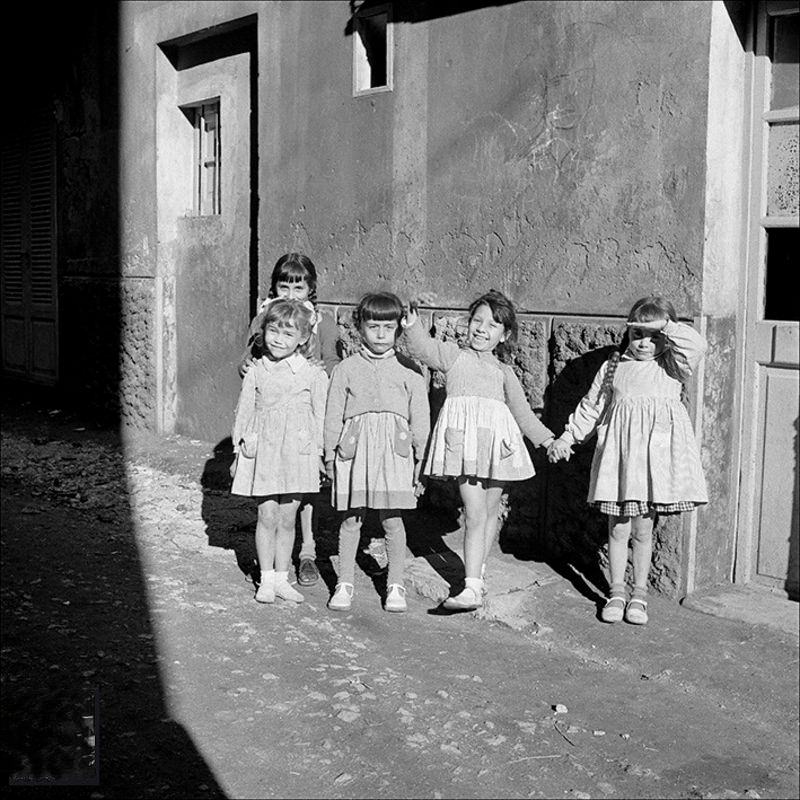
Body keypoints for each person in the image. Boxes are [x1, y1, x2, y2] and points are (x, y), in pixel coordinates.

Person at [548, 296, 708, 626]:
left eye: (654, 336)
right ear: (628, 334)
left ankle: (640, 593)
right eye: (638, 334)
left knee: (643, 530)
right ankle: (616, 591)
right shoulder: (613, 367)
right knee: (618, 529)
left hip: (652, 464)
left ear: (666, 335)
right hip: (619, 462)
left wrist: (664, 325)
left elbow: (696, 345)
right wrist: (567, 437)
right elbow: (592, 408)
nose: (645, 343)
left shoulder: (672, 366)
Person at [402, 290, 556, 611]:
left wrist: (548, 441)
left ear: (504, 335)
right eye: (477, 321)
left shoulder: (505, 373)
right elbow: (423, 349)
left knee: (488, 512)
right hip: (465, 449)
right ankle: (471, 587)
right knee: (474, 513)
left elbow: (523, 415)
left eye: (493, 325)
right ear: (468, 323)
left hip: (497, 448)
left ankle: (477, 569)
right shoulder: (453, 356)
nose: (482, 329)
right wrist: (412, 324)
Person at [324, 292, 430, 613]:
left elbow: (421, 420)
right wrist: (330, 455)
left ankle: (395, 584)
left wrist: (420, 462)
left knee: (392, 521)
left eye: (388, 326)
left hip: (394, 454)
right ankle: (344, 582)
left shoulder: (410, 370)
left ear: (398, 328)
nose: (381, 334)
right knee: (352, 518)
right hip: (355, 452)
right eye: (373, 326)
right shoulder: (346, 369)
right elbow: (332, 415)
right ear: (360, 327)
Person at [239, 253, 340, 588]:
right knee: (272, 502)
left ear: (310, 288)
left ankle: (306, 552)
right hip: (270, 412)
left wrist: (320, 374)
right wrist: (247, 366)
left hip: (303, 412)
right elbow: (250, 350)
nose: (291, 294)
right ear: (275, 286)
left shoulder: (320, 320)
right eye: (285, 286)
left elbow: (332, 359)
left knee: (302, 495)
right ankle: (271, 568)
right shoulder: (268, 315)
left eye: (299, 287)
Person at [230, 298, 329, 605]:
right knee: (267, 515)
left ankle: (283, 578)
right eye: (273, 330)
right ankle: (267, 579)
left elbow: (321, 418)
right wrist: (237, 451)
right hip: (265, 452)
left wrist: (321, 456)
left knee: (288, 519)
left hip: (298, 454)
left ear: (303, 338)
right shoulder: (257, 370)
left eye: (288, 334)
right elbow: (243, 412)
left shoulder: (313, 374)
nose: (278, 339)